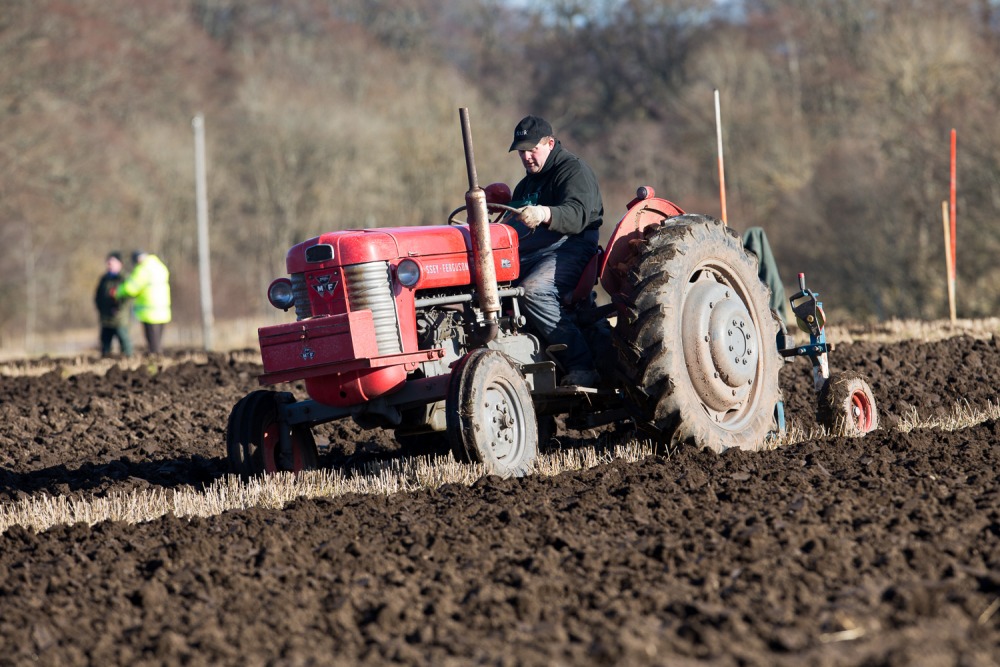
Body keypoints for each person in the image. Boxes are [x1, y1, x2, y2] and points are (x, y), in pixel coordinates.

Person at [507, 115, 603, 387]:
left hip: (572, 244)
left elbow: (577, 214)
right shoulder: (526, 184)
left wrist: (544, 212)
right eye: (521, 152)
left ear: (549, 143)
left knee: (533, 290)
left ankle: (581, 364)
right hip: (534, 249)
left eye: (531, 150)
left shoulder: (572, 170)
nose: (526, 157)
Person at [117, 249, 172, 354]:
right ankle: (158, 361)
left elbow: (131, 288)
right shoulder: (160, 266)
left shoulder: (143, 269)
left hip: (149, 312)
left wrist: (118, 291)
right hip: (163, 311)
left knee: (153, 344)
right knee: (158, 342)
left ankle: (155, 365)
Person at [94, 251, 133, 357]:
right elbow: (98, 297)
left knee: (124, 340)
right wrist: (101, 309)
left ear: (120, 263)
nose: (109, 265)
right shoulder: (104, 279)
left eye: (112, 262)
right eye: (108, 263)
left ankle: (128, 359)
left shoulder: (124, 278)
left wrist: (118, 308)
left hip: (120, 317)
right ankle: (106, 359)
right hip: (105, 317)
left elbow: (129, 296)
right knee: (105, 343)